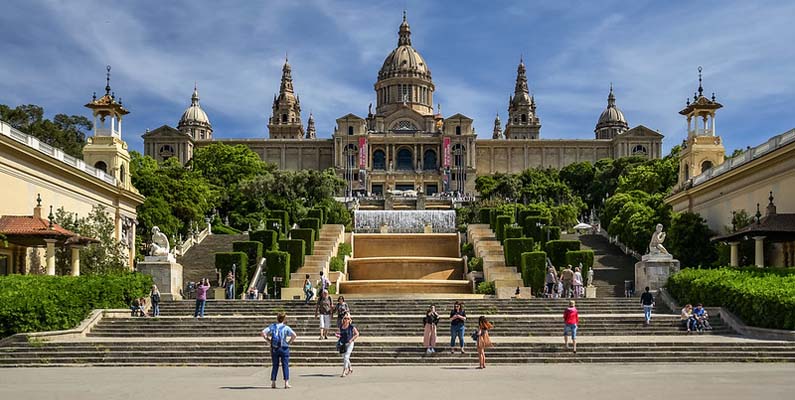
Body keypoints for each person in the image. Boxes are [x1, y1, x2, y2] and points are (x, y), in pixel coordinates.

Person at [262, 312, 297, 389]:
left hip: (274, 348)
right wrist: (289, 342)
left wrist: (268, 341)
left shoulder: (273, 326)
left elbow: (263, 332)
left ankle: (273, 382)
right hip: (284, 347)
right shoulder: (286, 327)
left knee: (275, 365)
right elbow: (294, 335)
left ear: (277, 319)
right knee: (285, 365)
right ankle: (286, 383)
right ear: (284, 319)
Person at [338, 313, 359, 377]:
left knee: (346, 357)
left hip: (350, 343)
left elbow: (357, 334)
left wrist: (351, 339)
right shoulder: (341, 326)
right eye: (345, 318)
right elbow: (341, 334)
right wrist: (338, 335)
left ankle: (344, 370)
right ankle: (350, 368)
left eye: (348, 318)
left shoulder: (351, 327)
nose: (346, 320)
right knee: (345, 357)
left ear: (350, 320)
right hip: (343, 343)